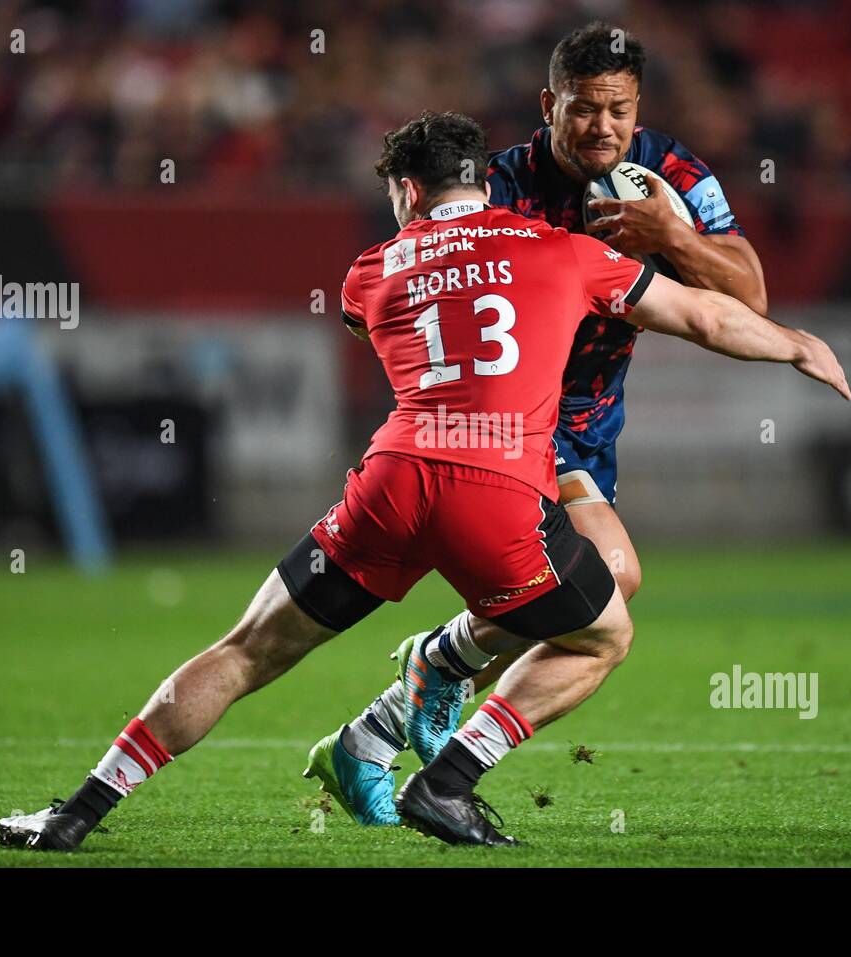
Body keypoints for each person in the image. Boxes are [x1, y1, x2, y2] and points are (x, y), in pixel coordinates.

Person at [0, 110, 847, 849]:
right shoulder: (564, 251)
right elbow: (702, 312)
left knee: (246, 651)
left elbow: (389, 333)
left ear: (406, 190)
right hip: (499, 491)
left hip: (393, 479)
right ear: (479, 179)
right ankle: (447, 776)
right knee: (605, 630)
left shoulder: (370, 271)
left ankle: (75, 815)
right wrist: (797, 345)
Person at [307, 20, 778, 825]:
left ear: (638, 109)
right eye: (584, 108)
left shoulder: (670, 175)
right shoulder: (499, 184)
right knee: (613, 579)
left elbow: (749, 294)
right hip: (514, 420)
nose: (602, 126)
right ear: (548, 106)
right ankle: (435, 738)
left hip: (593, 422)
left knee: (568, 596)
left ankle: (380, 727)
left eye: (618, 110)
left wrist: (673, 236)